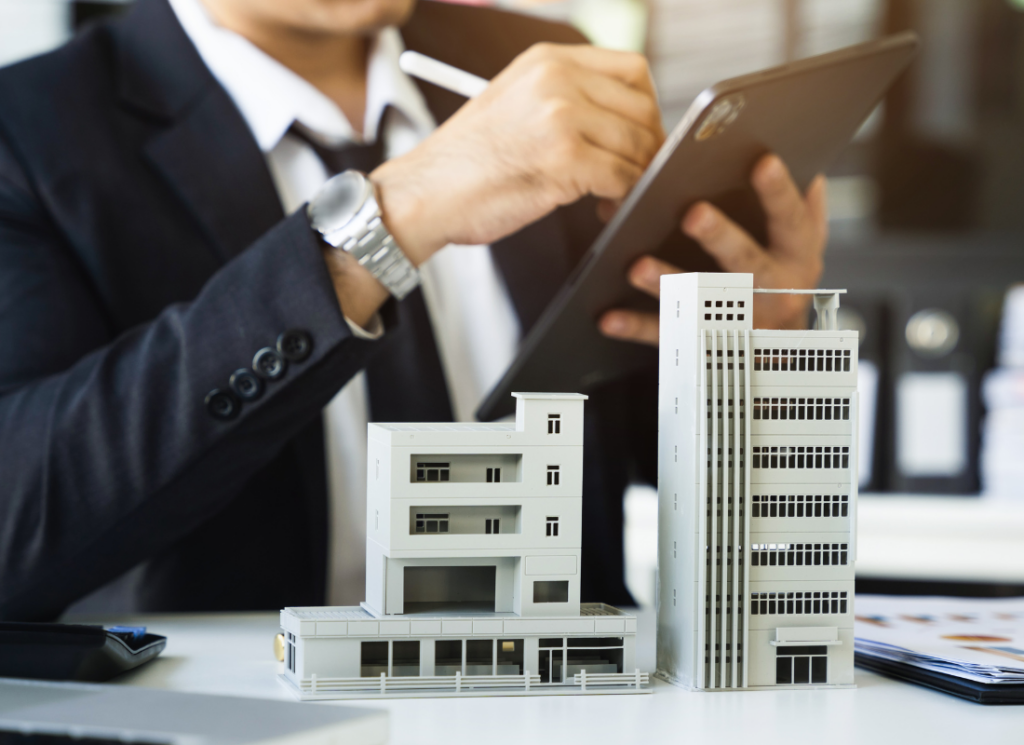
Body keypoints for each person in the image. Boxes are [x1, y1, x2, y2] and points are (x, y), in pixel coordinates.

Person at [0, 0, 826, 621]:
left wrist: (753, 348)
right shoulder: (30, 132)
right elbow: (20, 515)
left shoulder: (542, 69)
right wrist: (388, 222)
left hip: (573, 707)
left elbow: (635, 439)